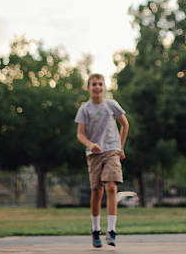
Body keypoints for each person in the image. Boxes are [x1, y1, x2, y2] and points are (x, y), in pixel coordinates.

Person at [75, 73, 129, 248]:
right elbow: (80, 134)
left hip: (111, 150)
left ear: (104, 87)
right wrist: (90, 145)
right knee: (97, 192)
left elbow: (125, 125)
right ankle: (95, 230)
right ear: (88, 88)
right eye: (93, 84)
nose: (97, 87)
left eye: (100, 84)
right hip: (94, 154)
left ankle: (111, 231)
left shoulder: (111, 105)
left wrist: (120, 147)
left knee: (112, 187)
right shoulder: (85, 109)